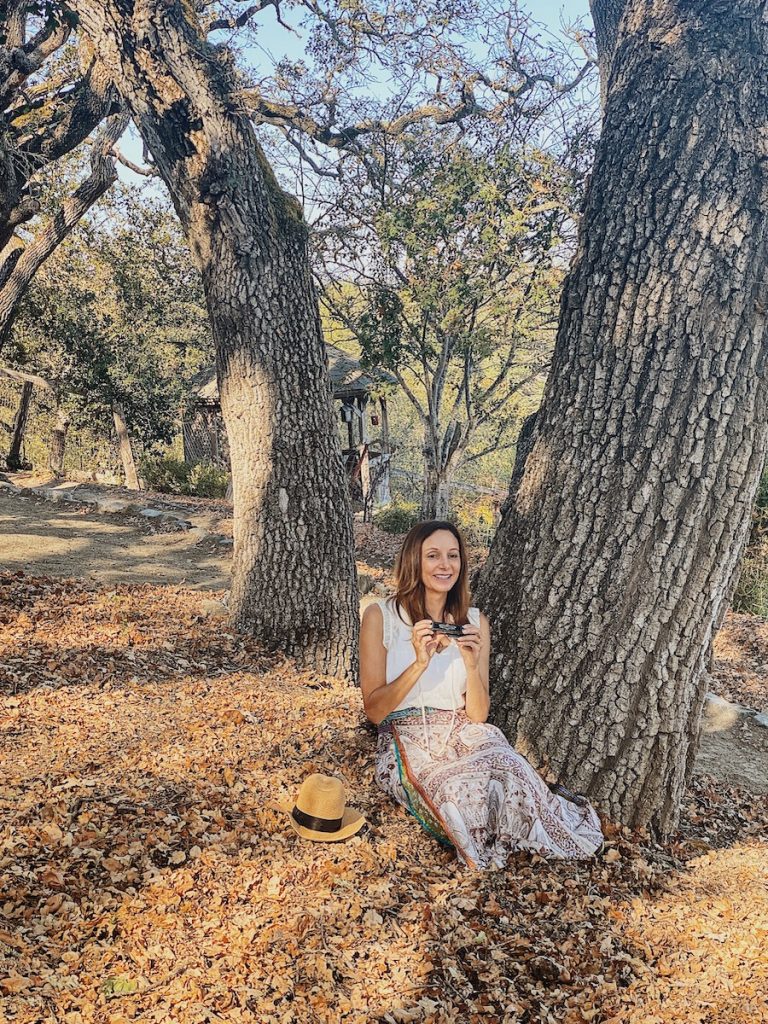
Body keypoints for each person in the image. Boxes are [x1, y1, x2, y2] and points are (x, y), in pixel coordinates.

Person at [360, 520, 603, 870]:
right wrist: (419, 663)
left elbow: (478, 714)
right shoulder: (381, 615)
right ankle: (484, 854)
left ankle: (540, 835)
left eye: (453, 556)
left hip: (463, 730)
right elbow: (374, 711)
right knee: (455, 790)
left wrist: (472, 667)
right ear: (415, 561)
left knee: (510, 766)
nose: (445, 565)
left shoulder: (474, 622)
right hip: (407, 737)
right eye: (433, 555)